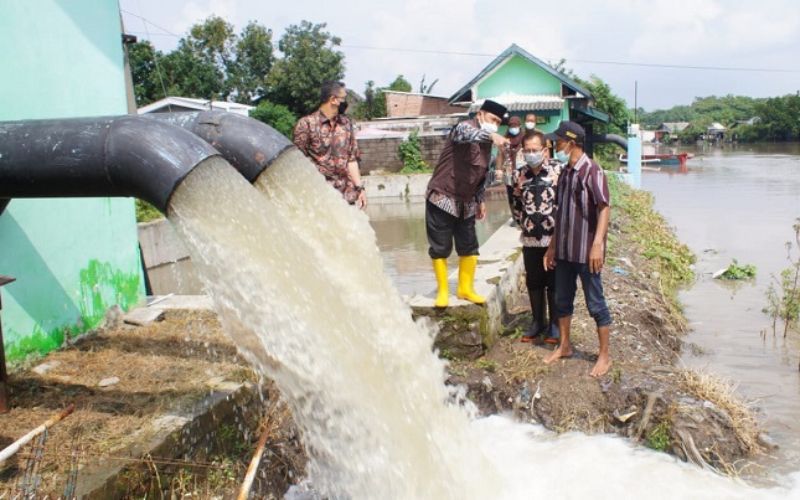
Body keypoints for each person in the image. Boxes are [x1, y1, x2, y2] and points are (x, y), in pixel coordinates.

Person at [543, 121, 613, 377]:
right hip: (564, 251)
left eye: (558, 142)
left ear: (571, 143)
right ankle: (565, 346)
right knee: (562, 300)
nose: (554, 145)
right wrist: (551, 246)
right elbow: (560, 212)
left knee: (596, 303)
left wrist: (597, 246)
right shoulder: (565, 173)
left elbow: (604, 207)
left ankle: (604, 356)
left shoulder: (592, 171)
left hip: (586, 251)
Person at [427, 100, 509, 308]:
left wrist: (480, 199)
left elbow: (480, 174)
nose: (495, 125)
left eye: (499, 123)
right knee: (440, 247)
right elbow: (466, 135)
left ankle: (465, 289)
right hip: (442, 198)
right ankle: (443, 292)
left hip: (467, 201)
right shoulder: (464, 128)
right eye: (493, 119)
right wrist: (491, 134)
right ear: (480, 115)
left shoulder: (487, 144)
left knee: (470, 246)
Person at [509, 131, 562, 344]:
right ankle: (537, 321)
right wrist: (525, 224)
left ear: (544, 150)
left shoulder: (559, 171)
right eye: (527, 150)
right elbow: (515, 206)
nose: (531, 154)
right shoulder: (519, 175)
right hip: (530, 239)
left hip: (554, 239)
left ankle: (555, 326)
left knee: (554, 283)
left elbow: (564, 205)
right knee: (534, 281)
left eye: (535, 150)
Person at [293, 81, 367, 209]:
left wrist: (360, 188)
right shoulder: (306, 124)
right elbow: (297, 163)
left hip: (346, 197)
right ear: (333, 99)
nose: (346, 102)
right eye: (343, 98)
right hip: (320, 198)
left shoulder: (346, 123)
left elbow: (352, 159)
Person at [494, 116, 525, 215]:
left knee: (523, 193)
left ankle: (524, 213)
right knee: (511, 196)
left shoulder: (524, 138)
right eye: (511, 126)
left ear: (520, 126)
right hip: (509, 173)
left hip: (523, 173)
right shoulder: (505, 139)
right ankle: (514, 215)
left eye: (515, 126)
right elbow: (500, 155)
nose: (513, 128)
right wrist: (498, 169)